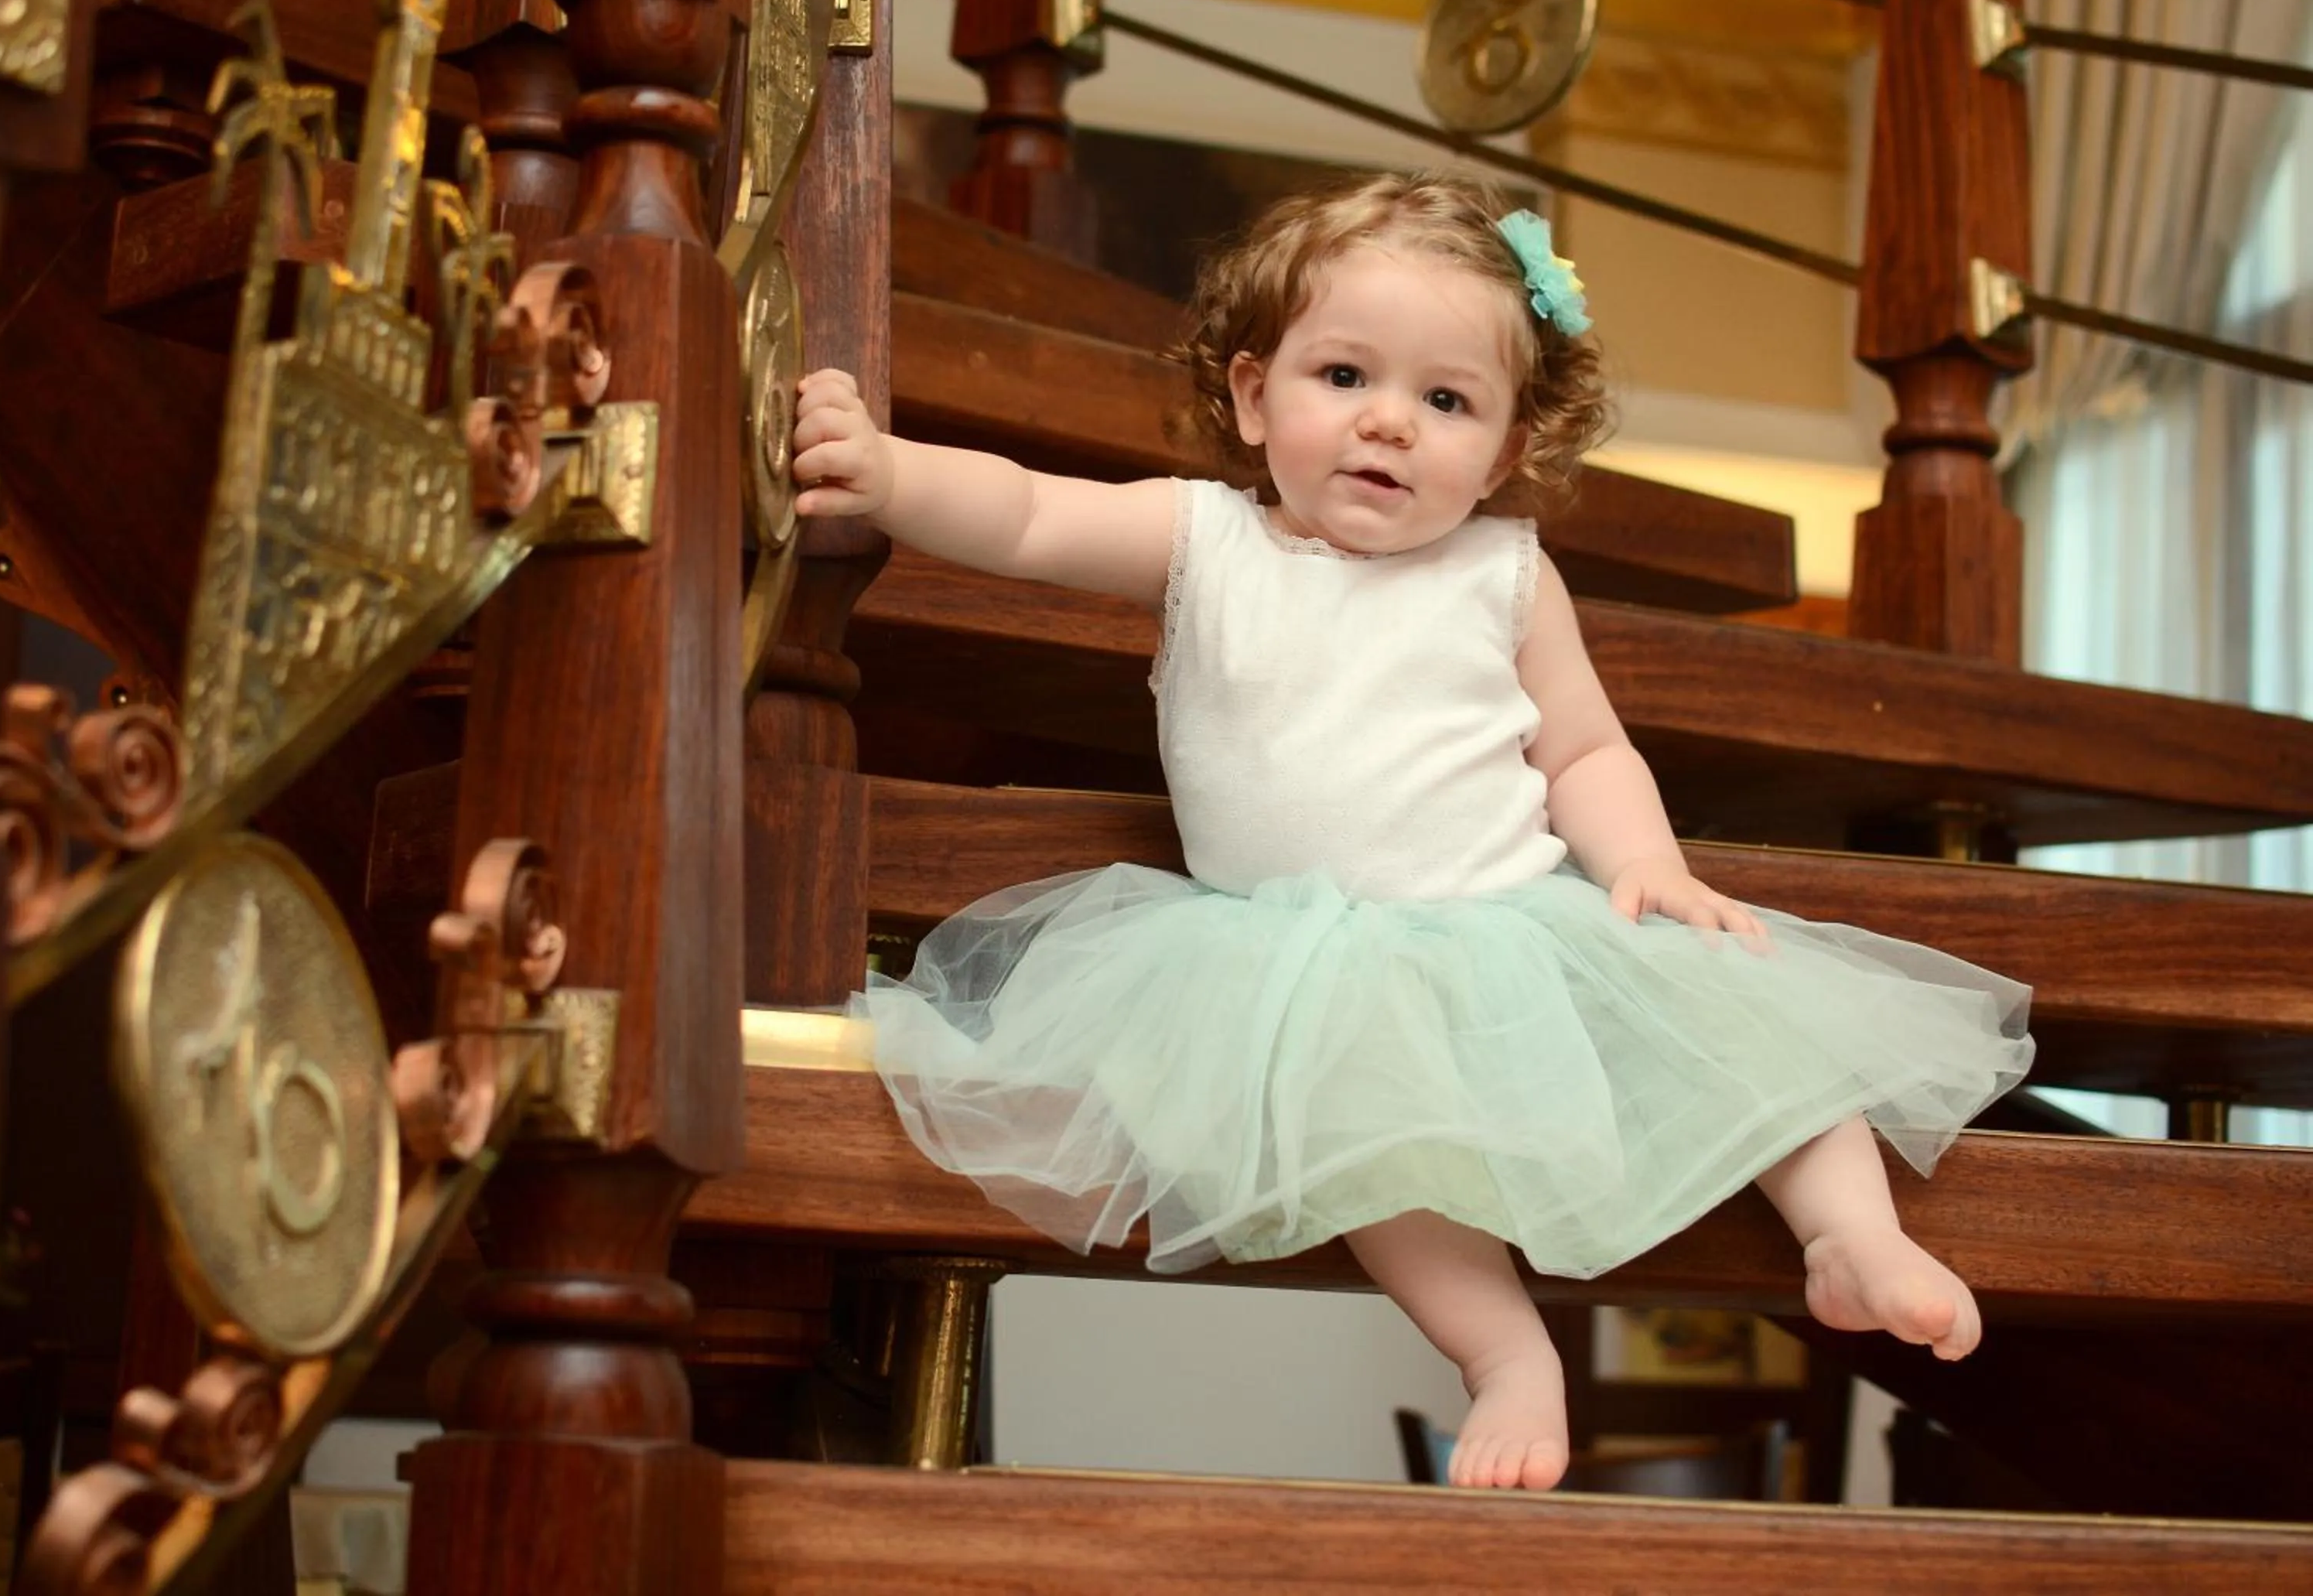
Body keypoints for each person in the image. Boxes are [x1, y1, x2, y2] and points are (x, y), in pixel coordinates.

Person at [792, 171, 2031, 1492]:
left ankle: (1851, 1236)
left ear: (1501, 452)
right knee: (1373, 1155)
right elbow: (1029, 513)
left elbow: (1586, 748)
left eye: (1446, 400)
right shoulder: (1204, 540)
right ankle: (1506, 1354)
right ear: (1256, 396)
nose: (1389, 422)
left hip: (1515, 922)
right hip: (1297, 967)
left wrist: (1650, 870)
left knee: (1748, 1013)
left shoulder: (1503, 572)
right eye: (1344, 376)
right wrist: (890, 472)